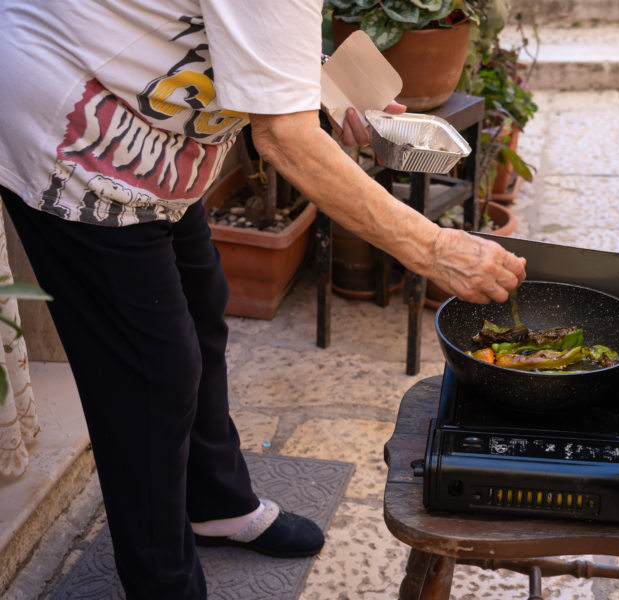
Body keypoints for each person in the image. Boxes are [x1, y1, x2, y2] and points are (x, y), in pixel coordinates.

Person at [0, 1, 526, 598]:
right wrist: (432, 248)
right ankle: (161, 583)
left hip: (153, 132)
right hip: (69, 129)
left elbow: (244, 33)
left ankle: (214, 503)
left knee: (202, 310)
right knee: (152, 376)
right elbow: (283, 138)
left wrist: (318, 84)